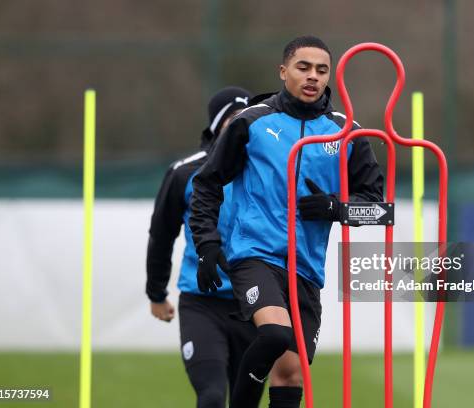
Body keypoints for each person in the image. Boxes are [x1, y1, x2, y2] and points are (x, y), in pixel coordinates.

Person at [189, 36, 384, 408]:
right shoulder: (252, 123)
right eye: (303, 67)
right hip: (255, 254)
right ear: (283, 71)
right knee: (276, 334)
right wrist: (208, 244)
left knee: (291, 373)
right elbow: (207, 183)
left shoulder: (347, 132)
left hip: (306, 268)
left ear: (330, 77)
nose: (312, 76)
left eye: (322, 70)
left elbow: (378, 209)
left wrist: (336, 208)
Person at [146, 86, 264, 408]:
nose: (243, 127)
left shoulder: (270, 172)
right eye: (234, 120)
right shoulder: (185, 173)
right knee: (211, 397)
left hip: (255, 306)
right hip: (202, 305)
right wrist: (156, 293)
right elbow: (161, 235)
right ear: (217, 126)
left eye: (249, 119)